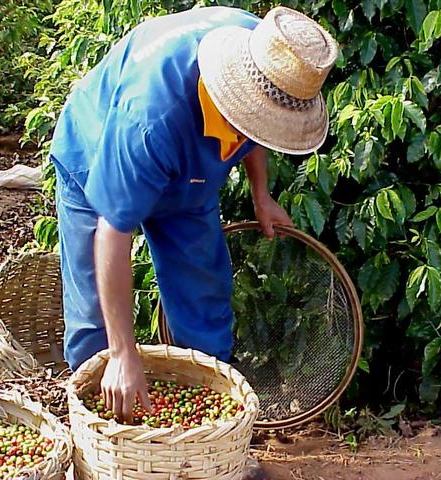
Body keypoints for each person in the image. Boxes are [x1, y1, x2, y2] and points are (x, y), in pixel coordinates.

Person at [49, 5, 337, 477]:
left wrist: (262, 195)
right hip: (95, 156)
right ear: (230, 92)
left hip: (192, 179)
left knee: (204, 304)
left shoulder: (273, 55)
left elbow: (259, 127)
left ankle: (210, 448)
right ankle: (102, 455)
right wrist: (124, 354)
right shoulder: (149, 119)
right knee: (94, 329)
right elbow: (112, 233)